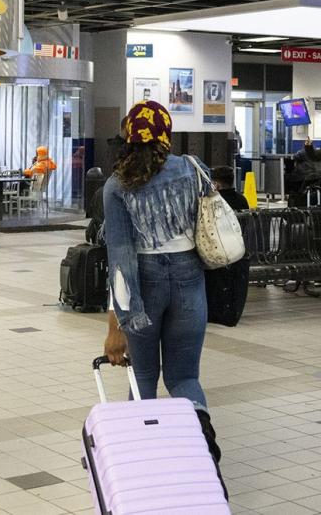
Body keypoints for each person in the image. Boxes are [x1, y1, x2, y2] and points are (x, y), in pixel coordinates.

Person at [99, 100, 225, 497]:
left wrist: (116, 322)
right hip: (190, 278)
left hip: (144, 282)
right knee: (185, 376)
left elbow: (120, 257)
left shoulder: (117, 186)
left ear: (127, 136)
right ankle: (204, 458)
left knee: (144, 375)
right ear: (167, 134)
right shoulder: (192, 169)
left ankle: (146, 468)